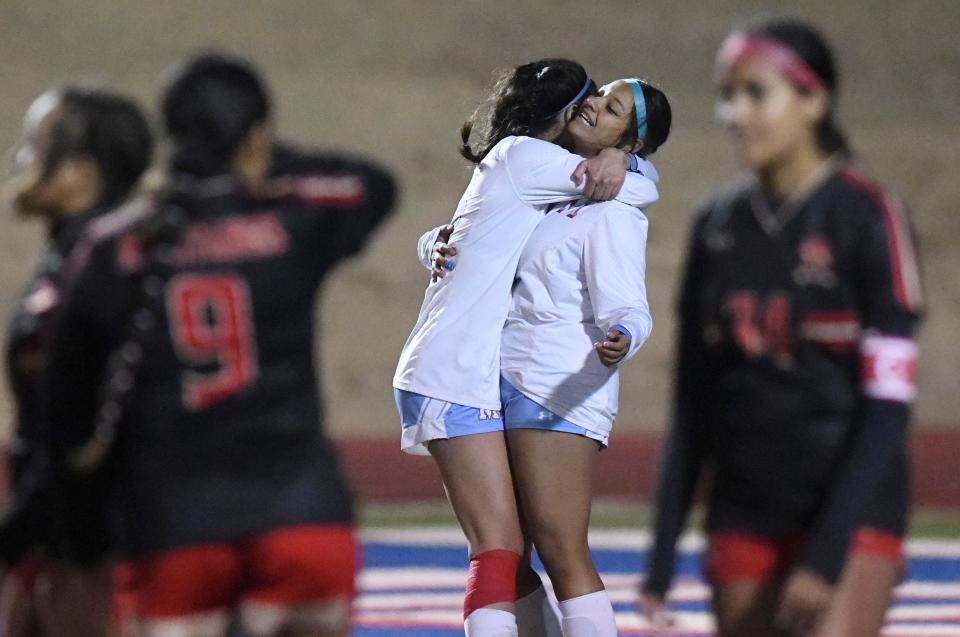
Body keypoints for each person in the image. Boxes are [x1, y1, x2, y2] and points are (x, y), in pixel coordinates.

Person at [44, 53, 396, 637]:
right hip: (300, 516)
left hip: (173, 526)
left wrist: (84, 536)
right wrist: (259, 162)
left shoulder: (112, 248)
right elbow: (374, 185)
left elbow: (67, 408)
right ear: (256, 136)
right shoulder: (293, 219)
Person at [640, 17, 923, 637]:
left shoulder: (868, 217)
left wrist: (825, 556)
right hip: (743, 510)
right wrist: (661, 561)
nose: (734, 114)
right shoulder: (716, 225)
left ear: (814, 100)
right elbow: (693, 401)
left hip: (849, 514)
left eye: (755, 93)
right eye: (726, 95)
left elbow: (887, 410)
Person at [394, 59, 661, 637]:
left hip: (529, 382)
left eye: (609, 107)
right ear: (560, 114)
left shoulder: (575, 191)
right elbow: (624, 185)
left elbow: (623, 287)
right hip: (464, 372)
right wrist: (626, 160)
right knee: (501, 551)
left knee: (531, 552)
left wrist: (434, 241)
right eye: (591, 99)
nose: (592, 108)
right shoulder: (538, 167)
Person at [0, 86, 153, 637]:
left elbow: (87, 426)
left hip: (95, 548)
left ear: (81, 172)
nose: (23, 162)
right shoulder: (73, 256)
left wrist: (18, 531)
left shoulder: (103, 269)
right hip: (57, 534)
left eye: (38, 146)